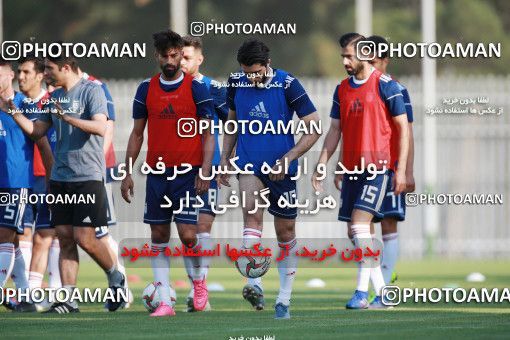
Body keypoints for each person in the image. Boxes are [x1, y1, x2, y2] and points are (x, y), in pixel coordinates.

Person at [7, 50, 126, 313]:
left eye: (50, 68)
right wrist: (14, 111)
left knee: (85, 238)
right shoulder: (54, 97)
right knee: (64, 238)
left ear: (67, 67)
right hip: (61, 178)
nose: (46, 73)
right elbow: (38, 130)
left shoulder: (91, 91)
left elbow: (100, 127)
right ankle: (68, 299)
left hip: (87, 176)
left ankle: (115, 274)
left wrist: (68, 117)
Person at [219, 39, 320, 319]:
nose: (251, 78)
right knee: (251, 217)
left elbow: (313, 129)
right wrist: (225, 158)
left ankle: (284, 301)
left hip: (282, 169)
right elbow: (232, 121)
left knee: (285, 232)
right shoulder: (236, 83)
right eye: (246, 72)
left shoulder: (288, 85)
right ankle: (254, 284)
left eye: (255, 72)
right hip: (249, 164)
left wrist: (288, 158)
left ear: (267, 64)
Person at [121, 29, 215, 317]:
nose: (171, 60)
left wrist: (206, 170)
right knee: (159, 234)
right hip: (158, 174)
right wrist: (127, 172)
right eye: (166, 56)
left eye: (175, 55)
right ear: (158, 57)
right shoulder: (145, 89)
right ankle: (164, 300)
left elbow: (209, 133)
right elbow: (137, 135)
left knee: (188, 235)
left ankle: (199, 284)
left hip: (189, 174)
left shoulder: (197, 88)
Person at [312, 33, 409, 309]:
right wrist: (323, 163)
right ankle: (378, 293)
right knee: (355, 233)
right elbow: (335, 130)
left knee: (359, 225)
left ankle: (364, 292)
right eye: (342, 55)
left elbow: (403, 129)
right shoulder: (341, 89)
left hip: (377, 169)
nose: (344, 61)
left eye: (349, 55)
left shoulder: (387, 86)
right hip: (351, 170)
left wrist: (400, 170)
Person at [180, 35, 228, 312]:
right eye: (179, 57)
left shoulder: (214, 89)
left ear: (200, 59)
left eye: (188, 57)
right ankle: (195, 286)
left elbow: (233, 124)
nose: (182, 62)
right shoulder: (170, 88)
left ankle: (200, 288)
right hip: (177, 169)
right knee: (186, 233)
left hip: (206, 168)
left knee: (202, 228)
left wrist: (226, 161)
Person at [366, 35, 415, 300]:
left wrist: (407, 170)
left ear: (385, 61)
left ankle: (384, 287)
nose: (370, 67)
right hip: (364, 169)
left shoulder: (396, 88)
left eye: (374, 62)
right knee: (361, 228)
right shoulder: (360, 88)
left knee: (388, 224)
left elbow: (407, 131)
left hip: (391, 167)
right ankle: (378, 280)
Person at [0, 58, 37, 312]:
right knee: (10, 242)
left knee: (5, 236)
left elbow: (39, 138)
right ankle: (25, 296)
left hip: (16, 183)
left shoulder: (25, 105)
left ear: (10, 75)